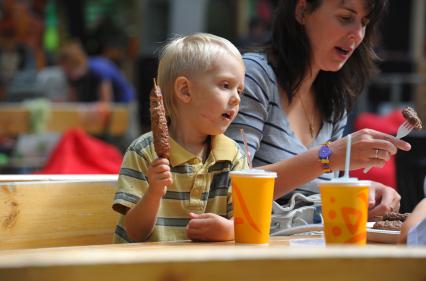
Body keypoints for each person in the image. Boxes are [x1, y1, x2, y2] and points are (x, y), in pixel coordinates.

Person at [225, 0, 411, 227]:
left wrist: (363, 194)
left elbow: (314, 199)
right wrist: (329, 156)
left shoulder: (335, 97)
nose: (357, 34)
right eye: (345, 18)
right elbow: (228, 190)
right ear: (302, 11)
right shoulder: (254, 76)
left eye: (364, 23)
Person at [112, 33, 248, 242]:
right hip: (146, 270)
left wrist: (228, 230)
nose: (236, 98)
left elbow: (247, 222)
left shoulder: (233, 156)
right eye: (225, 85)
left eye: (240, 90)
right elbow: (134, 232)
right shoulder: (143, 152)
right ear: (185, 90)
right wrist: (154, 192)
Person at [58, 41, 135, 104]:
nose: (67, 74)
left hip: (124, 102)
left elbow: (106, 101)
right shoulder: (73, 76)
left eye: (68, 71)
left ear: (76, 65)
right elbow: (73, 101)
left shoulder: (98, 69)